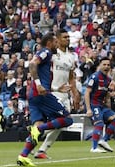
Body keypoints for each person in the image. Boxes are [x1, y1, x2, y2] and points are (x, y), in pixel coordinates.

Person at [17, 32, 75, 167]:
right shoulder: (46, 52)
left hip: (35, 96)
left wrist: (56, 89)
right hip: (40, 94)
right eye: (55, 43)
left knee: (37, 128)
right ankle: (39, 130)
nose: (57, 45)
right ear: (49, 43)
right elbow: (32, 64)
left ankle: (23, 156)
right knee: (67, 119)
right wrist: (38, 84)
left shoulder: (48, 56)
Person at [34, 29, 80, 159]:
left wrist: (75, 93)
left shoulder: (71, 56)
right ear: (57, 40)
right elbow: (38, 67)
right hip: (52, 91)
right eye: (64, 37)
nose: (67, 39)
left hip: (64, 93)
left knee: (60, 124)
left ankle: (39, 146)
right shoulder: (52, 54)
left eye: (68, 37)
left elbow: (71, 77)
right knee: (61, 121)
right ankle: (36, 142)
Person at [85, 58, 115, 153]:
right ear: (100, 66)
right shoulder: (95, 77)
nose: (106, 67)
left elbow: (107, 96)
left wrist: (109, 110)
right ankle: (94, 148)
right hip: (94, 105)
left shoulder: (108, 80)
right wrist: (88, 109)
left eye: (108, 65)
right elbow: (87, 93)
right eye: (104, 64)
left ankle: (104, 140)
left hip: (102, 106)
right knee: (100, 124)